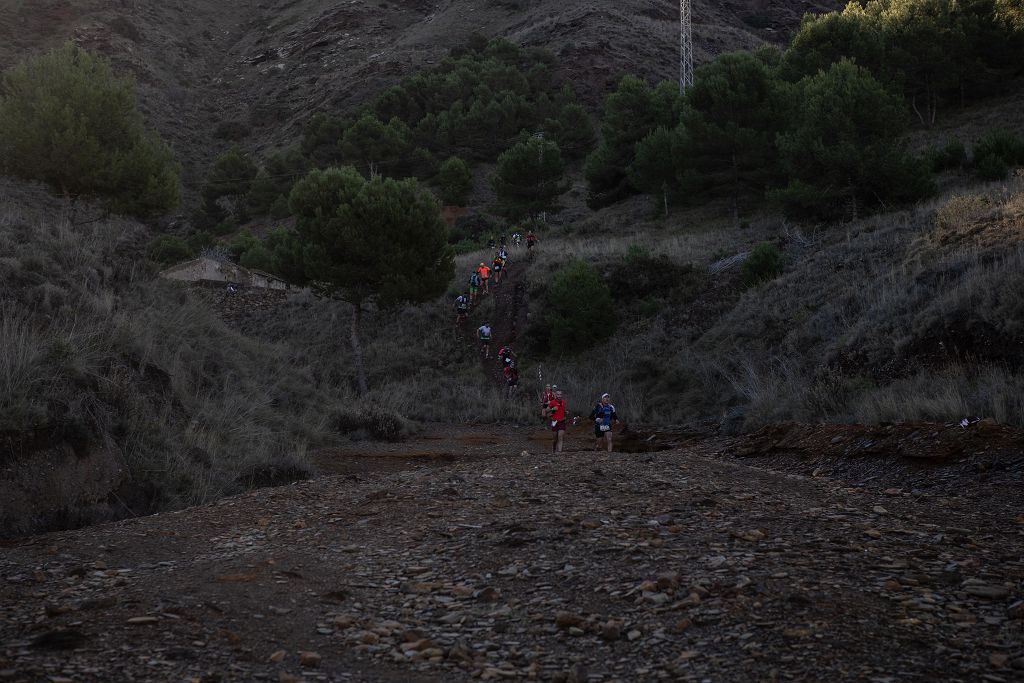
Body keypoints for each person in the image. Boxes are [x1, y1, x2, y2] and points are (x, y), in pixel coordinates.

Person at [545, 388, 568, 453]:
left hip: (562, 421)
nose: (559, 396)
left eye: (560, 394)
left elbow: (562, 410)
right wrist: (552, 409)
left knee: (560, 437)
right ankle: (554, 448)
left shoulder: (564, 402)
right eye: (558, 394)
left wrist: (566, 412)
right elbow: (546, 410)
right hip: (554, 422)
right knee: (555, 439)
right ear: (556, 395)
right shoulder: (552, 402)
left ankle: (559, 452)